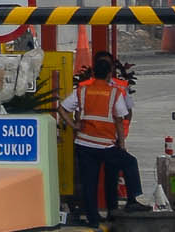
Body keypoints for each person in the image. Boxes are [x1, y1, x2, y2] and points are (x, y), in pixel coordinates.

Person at [61, 52, 144, 223]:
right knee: (130, 163)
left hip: (84, 143)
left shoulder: (82, 90)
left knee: (89, 182)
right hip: (105, 145)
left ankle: (93, 219)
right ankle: (132, 200)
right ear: (109, 74)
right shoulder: (114, 93)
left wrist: (74, 125)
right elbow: (120, 119)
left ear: (93, 73)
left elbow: (62, 108)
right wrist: (122, 144)